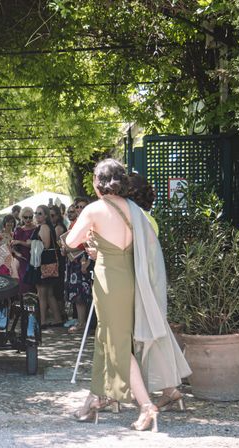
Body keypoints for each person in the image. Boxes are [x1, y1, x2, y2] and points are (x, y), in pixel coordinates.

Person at [63, 159, 190, 432]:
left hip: (110, 283)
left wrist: (89, 234)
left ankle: (146, 406)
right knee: (106, 340)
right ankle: (94, 401)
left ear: (99, 183)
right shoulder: (135, 210)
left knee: (117, 344)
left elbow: (71, 242)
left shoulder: (95, 209)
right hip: (134, 280)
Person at [127, 173, 188, 411]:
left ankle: (157, 392)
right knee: (154, 336)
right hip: (152, 282)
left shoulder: (136, 219)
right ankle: (170, 391)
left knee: (143, 338)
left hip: (140, 284)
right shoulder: (148, 218)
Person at [25, 205, 63, 327]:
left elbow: (45, 245)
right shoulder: (43, 227)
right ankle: (57, 319)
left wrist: (31, 242)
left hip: (44, 263)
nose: (36, 215)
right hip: (46, 262)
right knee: (48, 293)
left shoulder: (44, 227)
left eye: (40, 213)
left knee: (42, 293)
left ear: (45, 215)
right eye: (36, 213)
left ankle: (42, 321)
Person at [62, 198, 93, 332]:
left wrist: (69, 249)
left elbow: (86, 244)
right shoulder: (74, 223)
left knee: (82, 292)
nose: (80, 210)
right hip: (72, 260)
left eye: (83, 207)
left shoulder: (89, 223)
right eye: (78, 207)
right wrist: (65, 249)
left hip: (84, 259)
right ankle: (81, 321)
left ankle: (83, 322)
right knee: (76, 292)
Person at [11, 206, 36, 294]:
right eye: (26, 217)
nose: (28, 219)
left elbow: (36, 246)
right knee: (23, 284)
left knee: (33, 285)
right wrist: (17, 254)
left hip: (34, 260)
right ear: (22, 217)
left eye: (30, 217)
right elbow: (13, 247)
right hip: (22, 260)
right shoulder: (18, 230)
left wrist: (20, 242)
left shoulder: (36, 229)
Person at [50, 205, 67, 319]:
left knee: (58, 287)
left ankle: (61, 312)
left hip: (59, 259)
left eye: (53, 215)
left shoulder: (58, 228)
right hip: (56, 258)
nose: (51, 218)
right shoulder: (54, 226)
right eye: (49, 215)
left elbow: (55, 243)